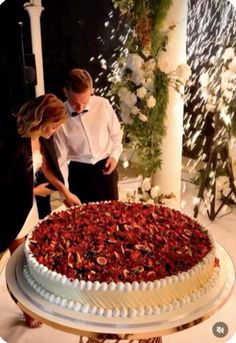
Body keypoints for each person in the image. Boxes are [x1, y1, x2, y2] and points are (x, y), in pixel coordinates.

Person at [0, 93, 81, 327]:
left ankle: (30, 307)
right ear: (42, 120)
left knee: (27, 262)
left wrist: (63, 192)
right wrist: (33, 192)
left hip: (27, 208)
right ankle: (27, 312)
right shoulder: (14, 143)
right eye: (54, 126)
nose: (55, 131)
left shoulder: (40, 139)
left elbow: (45, 164)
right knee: (20, 266)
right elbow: (4, 184)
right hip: (11, 210)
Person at [53, 68, 123, 203]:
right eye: (75, 103)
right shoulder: (59, 116)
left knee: (112, 217)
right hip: (79, 174)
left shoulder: (103, 104)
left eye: (84, 102)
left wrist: (114, 157)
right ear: (65, 92)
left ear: (91, 91)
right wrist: (65, 193)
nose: (80, 108)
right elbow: (61, 160)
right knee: (82, 220)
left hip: (106, 169)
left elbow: (116, 136)